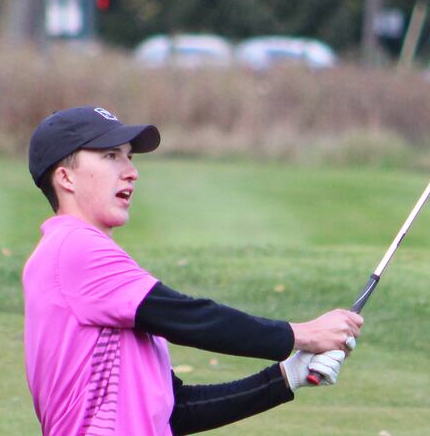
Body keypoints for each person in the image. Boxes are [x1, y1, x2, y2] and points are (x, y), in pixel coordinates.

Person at [23, 106, 364, 435]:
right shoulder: (74, 249)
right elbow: (190, 318)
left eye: (129, 156)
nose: (131, 171)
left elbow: (176, 411)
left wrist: (288, 376)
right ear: (66, 177)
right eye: (111, 156)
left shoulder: (88, 268)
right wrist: (302, 334)